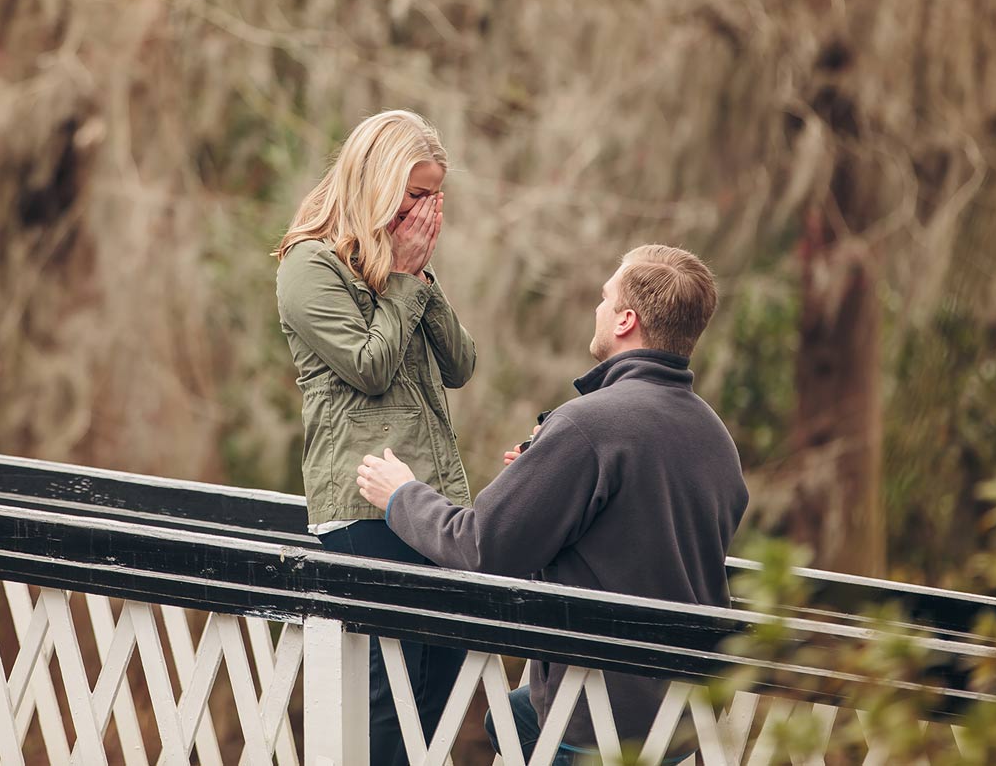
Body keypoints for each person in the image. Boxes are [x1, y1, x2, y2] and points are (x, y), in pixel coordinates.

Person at [357, 244, 748, 764]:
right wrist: (552, 481)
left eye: (605, 298)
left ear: (627, 320)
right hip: (682, 714)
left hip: (597, 717)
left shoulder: (589, 424)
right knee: (511, 718)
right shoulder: (714, 436)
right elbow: (644, 535)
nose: (597, 308)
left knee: (520, 721)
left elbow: (480, 546)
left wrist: (401, 495)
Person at [274, 109, 476, 766]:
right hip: (365, 514)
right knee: (385, 722)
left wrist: (418, 277)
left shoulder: (408, 275)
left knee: (437, 715)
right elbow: (367, 366)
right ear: (379, 184)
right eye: (416, 195)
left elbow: (461, 365)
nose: (427, 211)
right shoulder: (309, 266)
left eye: (436, 197)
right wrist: (398, 280)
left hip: (437, 509)